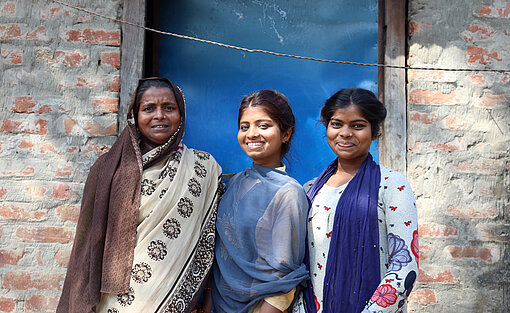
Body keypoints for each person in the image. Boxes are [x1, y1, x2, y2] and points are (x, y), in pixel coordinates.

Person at [57, 77, 223, 313]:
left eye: (169, 108)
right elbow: (87, 245)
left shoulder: (203, 167)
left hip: (176, 298)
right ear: (135, 116)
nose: (159, 116)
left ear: (181, 114)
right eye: (148, 109)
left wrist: (207, 294)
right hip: (113, 301)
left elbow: (210, 239)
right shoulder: (107, 171)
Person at [292, 88, 419, 313]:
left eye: (357, 125)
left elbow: (404, 265)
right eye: (337, 124)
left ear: (374, 132)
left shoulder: (391, 185)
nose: (345, 133)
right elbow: (300, 263)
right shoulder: (310, 189)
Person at [210, 90, 309, 313]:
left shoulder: (288, 192)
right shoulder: (234, 182)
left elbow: (284, 278)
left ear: (286, 134)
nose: (252, 134)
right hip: (219, 305)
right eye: (245, 127)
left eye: (263, 126)